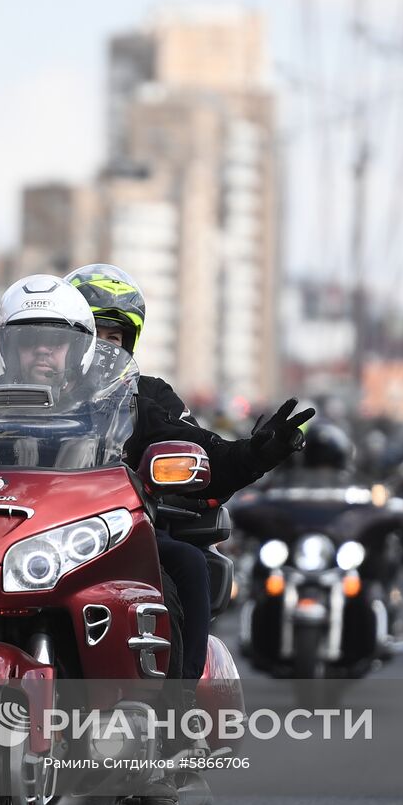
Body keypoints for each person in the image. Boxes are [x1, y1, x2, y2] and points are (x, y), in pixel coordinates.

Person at [64, 264, 313, 678]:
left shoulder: (145, 396)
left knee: (186, 562)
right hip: (30, 534)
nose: (105, 349)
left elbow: (205, 454)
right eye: (93, 336)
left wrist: (256, 453)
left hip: (119, 535)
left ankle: (179, 712)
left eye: (115, 338)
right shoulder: (14, 397)